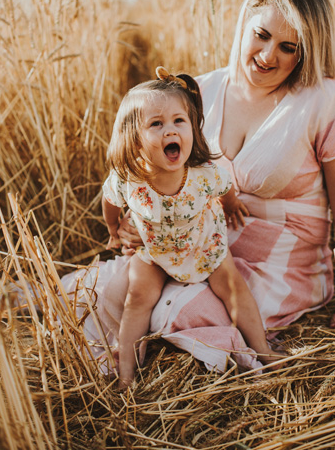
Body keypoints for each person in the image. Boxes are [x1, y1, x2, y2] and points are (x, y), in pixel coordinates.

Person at [61, 0, 335, 377]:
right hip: (198, 242)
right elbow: (152, 166)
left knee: (177, 308)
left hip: (281, 266)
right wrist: (132, 220)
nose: (269, 56)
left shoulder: (325, 101)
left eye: (288, 47)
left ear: (307, 50)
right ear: (245, 21)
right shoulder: (199, 91)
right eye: (262, 35)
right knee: (109, 289)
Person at [102, 67, 284, 388]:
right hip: (156, 250)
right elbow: (110, 200)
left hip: (204, 244)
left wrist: (230, 205)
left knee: (233, 288)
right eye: (156, 124)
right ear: (134, 138)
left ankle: (264, 351)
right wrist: (114, 228)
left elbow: (225, 186)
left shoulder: (203, 174)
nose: (169, 130)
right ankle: (126, 372)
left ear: (192, 128)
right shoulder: (129, 179)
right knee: (138, 297)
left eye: (178, 121)